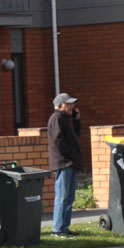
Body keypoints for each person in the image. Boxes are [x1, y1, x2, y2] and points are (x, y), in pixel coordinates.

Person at [47, 92, 82, 238]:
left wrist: (77, 120)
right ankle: (58, 229)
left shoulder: (65, 119)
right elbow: (58, 141)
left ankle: (64, 227)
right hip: (64, 163)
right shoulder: (57, 118)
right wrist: (68, 156)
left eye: (72, 104)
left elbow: (76, 135)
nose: (72, 107)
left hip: (70, 163)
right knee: (62, 196)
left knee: (69, 197)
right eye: (69, 104)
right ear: (60, 105)